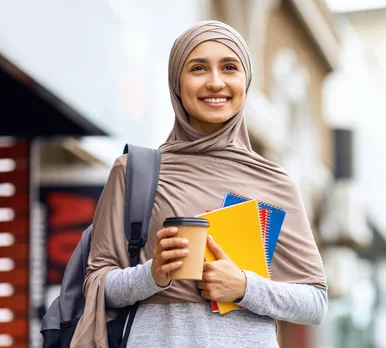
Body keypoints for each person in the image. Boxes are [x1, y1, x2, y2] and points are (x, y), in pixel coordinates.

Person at [70, 21, 328, 348]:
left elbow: (315, 302)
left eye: (230, 67)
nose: (216, 82)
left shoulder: (275, 181)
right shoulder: (134, 172)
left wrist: (245, 287)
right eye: (198, 68)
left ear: (245, 81)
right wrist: (153, 274)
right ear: (177, 82)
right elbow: (97, 284)